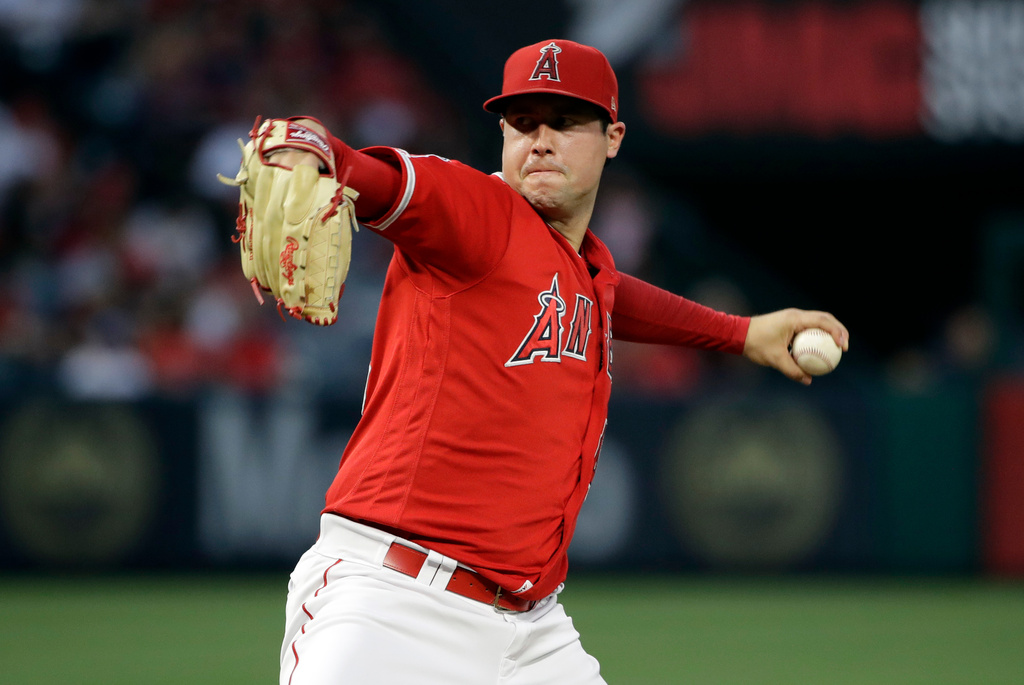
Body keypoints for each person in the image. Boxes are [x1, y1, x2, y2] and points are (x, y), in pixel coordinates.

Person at [262, 39, 849, 685]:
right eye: (522, 123)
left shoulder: (581, 266)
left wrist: (740, 333)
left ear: (613, 136)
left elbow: (611, 295)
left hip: (532, 630)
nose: (539, 140)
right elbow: (385, 179)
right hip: (393, 604)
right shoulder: (476, 214)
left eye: (564, 122)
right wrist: (312, 148)